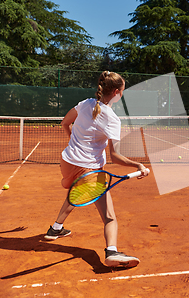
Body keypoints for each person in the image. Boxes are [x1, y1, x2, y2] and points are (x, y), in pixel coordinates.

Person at [44, 71, 149, 268]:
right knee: (110, 217)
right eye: (123, 91)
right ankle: (112, 251)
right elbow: (115, 157)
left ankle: (56, 228)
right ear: (117, 92)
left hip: (67, 162)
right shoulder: (112, 118)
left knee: (77, 191)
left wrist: (74, 144)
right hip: (90, 169)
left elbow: (65, 123)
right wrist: (138, 166)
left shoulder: (84, 104)